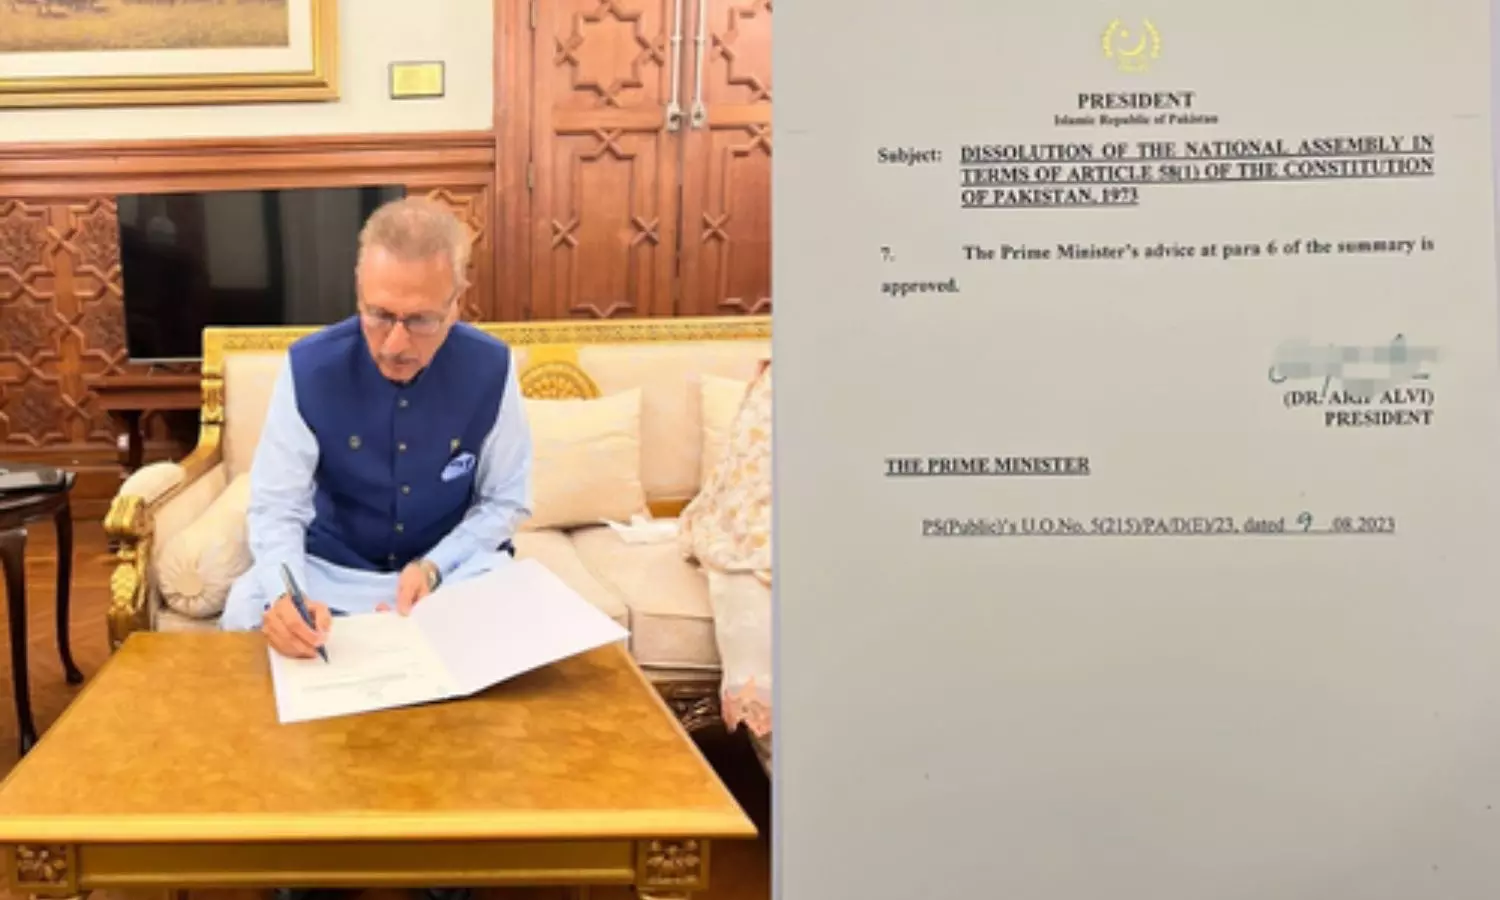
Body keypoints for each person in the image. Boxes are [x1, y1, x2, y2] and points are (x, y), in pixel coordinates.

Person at [219, 196, 533, 662]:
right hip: (331, 572)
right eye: (380, 315)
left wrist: (434, 566)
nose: (395, 344)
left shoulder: (492, 367)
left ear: (456, 303)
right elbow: (277, 506)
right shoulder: (309, 367)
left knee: (514, 614)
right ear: (358, 290)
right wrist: (289, 598)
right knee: (246, 608)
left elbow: (505, 500)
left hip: (445, 573)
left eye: (421, 320)